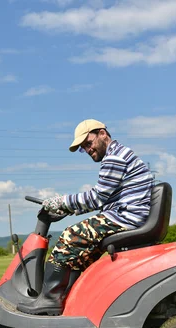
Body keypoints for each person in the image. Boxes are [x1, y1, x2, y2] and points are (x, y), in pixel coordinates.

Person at [17, 119, 154, 315]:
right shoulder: (120, 154)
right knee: (79, 257)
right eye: (83, 148)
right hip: (126, 215)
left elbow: (98, 197)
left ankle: (49, 300)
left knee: (69, 237)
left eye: (88, 144)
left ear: (102, 134)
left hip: (125, 218)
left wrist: (62, 202)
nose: (88, 150)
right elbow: (104, 200)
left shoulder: (114, 158)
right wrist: (68, 210)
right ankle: (71, 302)